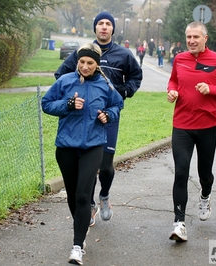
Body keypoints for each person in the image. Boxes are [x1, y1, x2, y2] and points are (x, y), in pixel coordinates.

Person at [55, 11, 142, 228]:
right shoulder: (82, 53)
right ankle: (89, 204)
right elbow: (61, 76)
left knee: (105, 167)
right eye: (100, 24)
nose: (104, 27)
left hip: (109, 117)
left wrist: (123, 92)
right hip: (84, 118)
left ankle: (104, 195)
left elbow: (136, 77)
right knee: (87, 166)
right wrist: (72, 95)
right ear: (95, 28)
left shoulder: (123, 55)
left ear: (113, 29)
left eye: (107, 24)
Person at [42, 43, 124, 264]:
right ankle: (82, 228)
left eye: (90, 62)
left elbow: (118, 105)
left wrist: (108, 115)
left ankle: (77, 246)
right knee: (72, 196)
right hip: (66, 147)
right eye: (82, 62)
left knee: (82, 195)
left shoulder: (105, 85)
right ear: (77, 62)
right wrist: (67, 105)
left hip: (93, 146)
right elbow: (46, 104)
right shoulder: (65, 81)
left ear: (97, 64)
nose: (85, 66)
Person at [166, 21, 216, 242]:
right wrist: (171, 91)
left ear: (205, 38)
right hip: (182, 126)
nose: (191, 41)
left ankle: (205, 194)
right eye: (188, 37)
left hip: (207, 126)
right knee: (180, 172)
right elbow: (173, 81)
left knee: (204, 174)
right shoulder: (179, 59)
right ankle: (179, 223)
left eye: (196, 37)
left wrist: (212, 89)